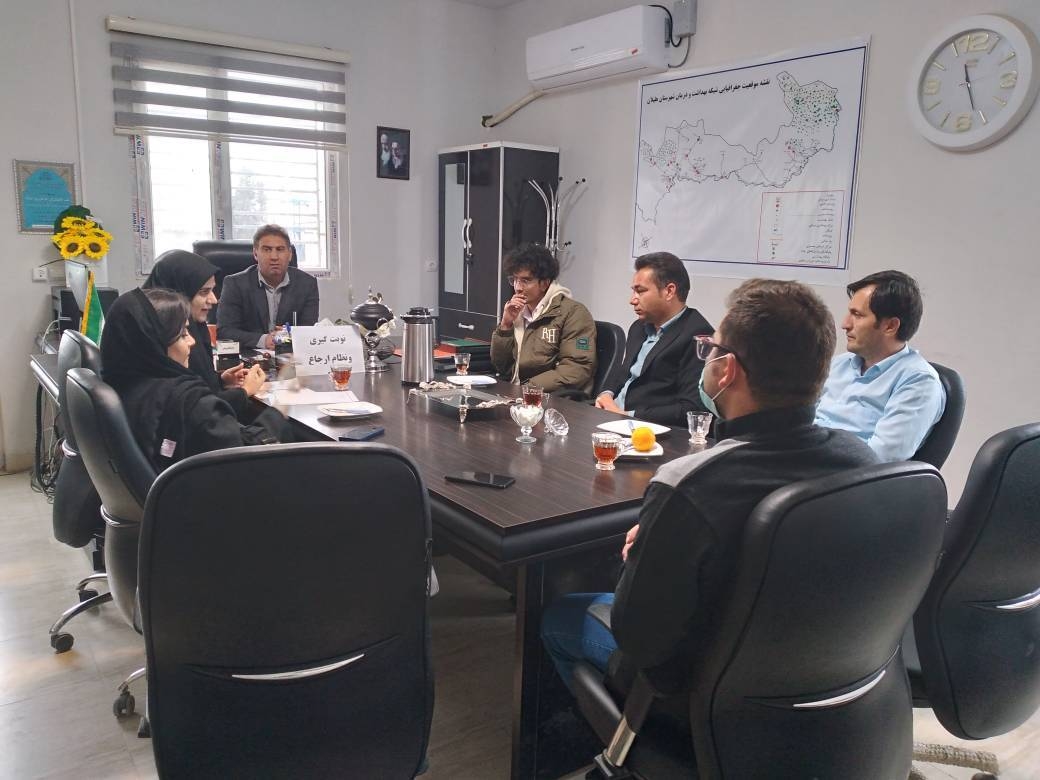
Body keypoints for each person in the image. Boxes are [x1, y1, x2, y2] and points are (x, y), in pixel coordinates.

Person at [540, 279, 877, 700]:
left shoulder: (689, 485)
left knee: (561, 617)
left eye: (711, 349)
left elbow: (638, 636)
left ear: (727, 370)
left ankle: (600, 732)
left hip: (701, 689)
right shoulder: (862, 460)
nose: (707, 360)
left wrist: (640, 555)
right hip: (825, 677)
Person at [101, 288, 284, 471]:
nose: (192, 341)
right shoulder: (188, 403)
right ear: (153, 342)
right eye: (182, 335)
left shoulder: (122, 384)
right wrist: (279, 410)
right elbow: (250, 462)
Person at [815, 270, 946, 462]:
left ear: (890, 326)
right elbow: (802, 421)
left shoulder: (919, 382)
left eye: (857, 315)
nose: (845, 324)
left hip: (845, 477)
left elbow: (881, 458)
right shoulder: (840, 364)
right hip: (805, 464)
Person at [143, 249, 264, 420]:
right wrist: (245, 391)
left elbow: (199, 389)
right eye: (204, 292)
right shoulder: (168, 338)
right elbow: (197, 411)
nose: (214, 300)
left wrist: (220, 381)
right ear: (179, 291)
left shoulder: (195, 327)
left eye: (212, 290)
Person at [595, 252, 714, 426]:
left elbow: (691, 408)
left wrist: (627, 415)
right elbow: (624, 374)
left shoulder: (698, 336)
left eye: (640, 291)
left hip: (646, 428)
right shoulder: (639, 327)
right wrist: (606, 394)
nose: (632, 300)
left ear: (669, 291)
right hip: (611, 418)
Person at [490, 243, 596, 394]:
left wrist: (527, 388)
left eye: (525, 281)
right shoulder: (518, 312)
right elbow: (502, 366)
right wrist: (505, 325)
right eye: (515, 280)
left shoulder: (574, 313)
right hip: (516, 392)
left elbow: (576, 369)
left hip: (550, 397)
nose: (518, 287)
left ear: (545, 283)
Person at [216, 224, 320, 350]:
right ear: (255, 253)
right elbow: (225, 331)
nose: (274, 257)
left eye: (280, 249)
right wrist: (264, 340)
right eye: (267, 249)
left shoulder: (307, 284)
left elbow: (309, 330)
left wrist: (291, 335)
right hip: (249, 357)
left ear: (290, 254)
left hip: (290, 356)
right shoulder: (235, 284)